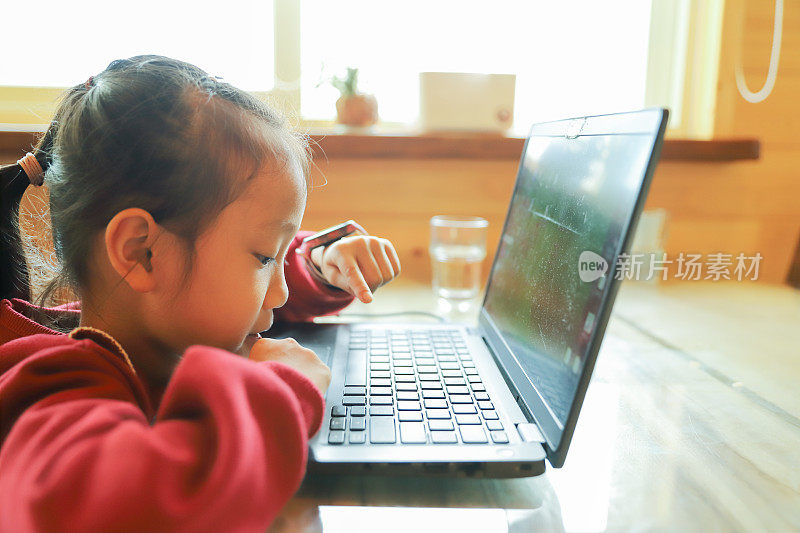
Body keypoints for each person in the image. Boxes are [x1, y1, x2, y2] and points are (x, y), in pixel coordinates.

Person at [0, 55, 401, 532]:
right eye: (262, 258)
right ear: (142, 253)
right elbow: (152, 507)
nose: (277, 294)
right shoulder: (46, 386)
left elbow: (226, 285)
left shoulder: (139, 323)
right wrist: (281, 391)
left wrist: (318, 265)